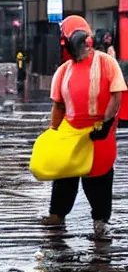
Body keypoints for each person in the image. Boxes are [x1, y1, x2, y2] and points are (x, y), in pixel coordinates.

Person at [42, 15, 127, 239]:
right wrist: (54, 133)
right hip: (70, 132)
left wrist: (106, 123)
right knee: (64, 175)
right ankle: (57, 215)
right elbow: (58, 106)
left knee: (99, 176)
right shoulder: (64, 71)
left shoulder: (106, 63)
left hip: (99, 132)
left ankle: (100, 221)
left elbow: (116, 95)